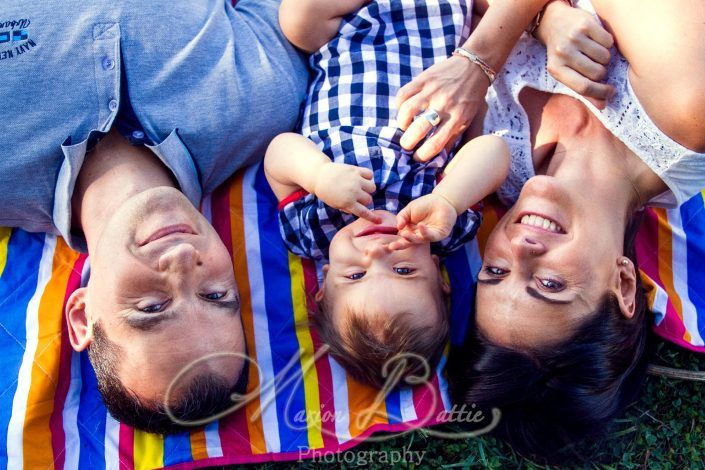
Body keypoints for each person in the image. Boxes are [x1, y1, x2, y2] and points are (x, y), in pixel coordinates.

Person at [1, 0, 308, 433]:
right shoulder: (259, 103)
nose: (183, 259)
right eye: (216, 295)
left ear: (81, 314)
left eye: (152, 306)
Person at [439, 0, 705, 459]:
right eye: (549, 283)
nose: (519, 248)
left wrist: (545, 20)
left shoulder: (488, 151)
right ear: (622, 283)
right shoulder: (687, 111)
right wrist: (492, 49)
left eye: (496, 273)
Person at [265, 0, 510, 388]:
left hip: (346, 35)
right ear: (438, 275)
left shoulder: (310, 228)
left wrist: (319, 174)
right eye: (403, 270)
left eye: (356, 273)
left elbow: (279, 152)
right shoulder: (444, 224)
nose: (377, 253)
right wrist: (449, 197)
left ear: (324, 283)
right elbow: (495, 151)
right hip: (439, 38)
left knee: (297, 20)